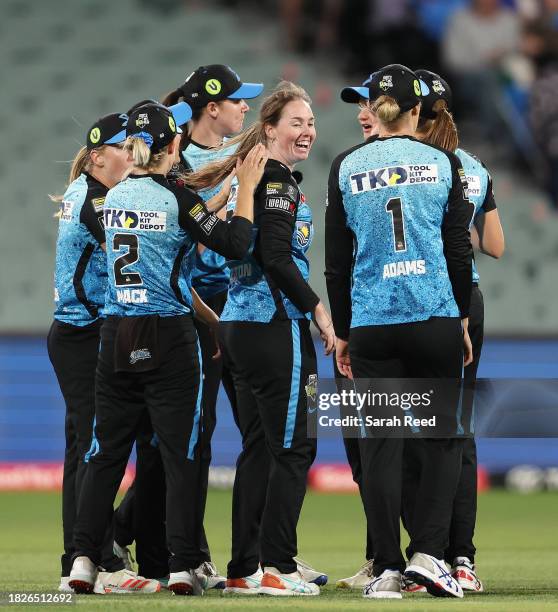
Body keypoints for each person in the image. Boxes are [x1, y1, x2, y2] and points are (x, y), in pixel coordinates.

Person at [68, 101, 267, 596]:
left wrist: (213, 198)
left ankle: (82, 561)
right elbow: (236, 243)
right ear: (174, 145)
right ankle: (182, 565)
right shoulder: (176, 195)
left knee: (104, 453)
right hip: (169, 337)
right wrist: (244, 190)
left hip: (117, 333)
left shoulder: (109, 197)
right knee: (182, 453)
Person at [326, 64, 473, 599]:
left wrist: (343, 331)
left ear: (376, 110)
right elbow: (459, 248)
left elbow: (336, 262)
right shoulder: (444, 162)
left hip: (372, 326)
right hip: (433, 317)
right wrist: (459, 316)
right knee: (442, 440)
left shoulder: (345, 166)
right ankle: (431, 555)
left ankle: (386, 567)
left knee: (381, 446)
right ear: (416, 111)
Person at [188, 81, 335, 596]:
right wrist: (318, 309)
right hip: (276, 327)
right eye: (296, 122)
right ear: (269, 129)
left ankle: (243, 568)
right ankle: (278, 566)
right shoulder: (277, 185)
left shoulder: (252, 181)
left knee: (259, 449)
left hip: (241, 327)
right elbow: (275, 256)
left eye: (311, 123)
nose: (308, 131)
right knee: (295, 448)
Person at [159, 65, 263, 588]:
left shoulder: (239, 157)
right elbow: (186, 249)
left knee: (258, 432)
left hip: (242, 302)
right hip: (200, 307)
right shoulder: (178, 166)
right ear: (211, 107)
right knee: (193, 436)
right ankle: (188, 551)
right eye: (238, 100)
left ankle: (264, 559)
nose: (246, 107)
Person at [47, 113, 156, 593]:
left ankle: (83, 551)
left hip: (80, 333)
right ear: (97, 157)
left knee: (86, 447)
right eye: (122, 148)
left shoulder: (86, 194)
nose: (131, 155)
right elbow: (132, 235)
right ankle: (97, 555)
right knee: (98, 446)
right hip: (84, 333)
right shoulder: (95, 200)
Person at [410, 68, 505, 593]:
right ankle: (461, 558)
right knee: (457, 431)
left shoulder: (412, 164)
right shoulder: (473, 166)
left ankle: (412, 556)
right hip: (469, 296)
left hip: (420, 301)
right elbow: (495, 246)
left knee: (406, 431)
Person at [334, 74, 379, 591]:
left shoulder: (432, 166)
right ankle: (381, 556)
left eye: (371, 103)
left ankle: (443, 555)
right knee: (363, 448)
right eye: (359, 105)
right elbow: (338, 260)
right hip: (363, 328)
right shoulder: (346, 166)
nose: (363, 112)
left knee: (417, 445)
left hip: (405, 322)